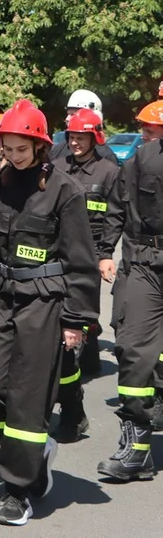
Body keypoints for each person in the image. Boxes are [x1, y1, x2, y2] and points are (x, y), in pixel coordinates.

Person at [0, 99, 98, 526]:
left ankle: (19, 489)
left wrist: (76, 319)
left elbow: (81, 260)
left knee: (28, 398)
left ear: (40, 146)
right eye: (8, 148)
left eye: (22, 149)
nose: (14, 157)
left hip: (45, 302)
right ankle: (34, 451)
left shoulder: (64, 191)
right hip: (2, 297)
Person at [97, 99, 163, 482]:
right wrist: (106, 251)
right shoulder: (141, 159)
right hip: (145, 264)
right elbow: (117, 207)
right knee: (133, 349)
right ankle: (137, 449)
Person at [51, 109, 121, 444]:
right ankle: (73, 370)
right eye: (71, 137)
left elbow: (113, 217)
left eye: (81, 137)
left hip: (90, 255)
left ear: (95, 138)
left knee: (83, 320)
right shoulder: (57, 167)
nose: (75, 142)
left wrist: (105, 254)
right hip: (59, 253)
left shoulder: (108, 171)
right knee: (66, 322)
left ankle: (80, 368)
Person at [49, 89, 119, 165]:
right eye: (68, 114)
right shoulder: (58, 150)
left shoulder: (106, 156)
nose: (67, 119)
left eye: (73, 114)